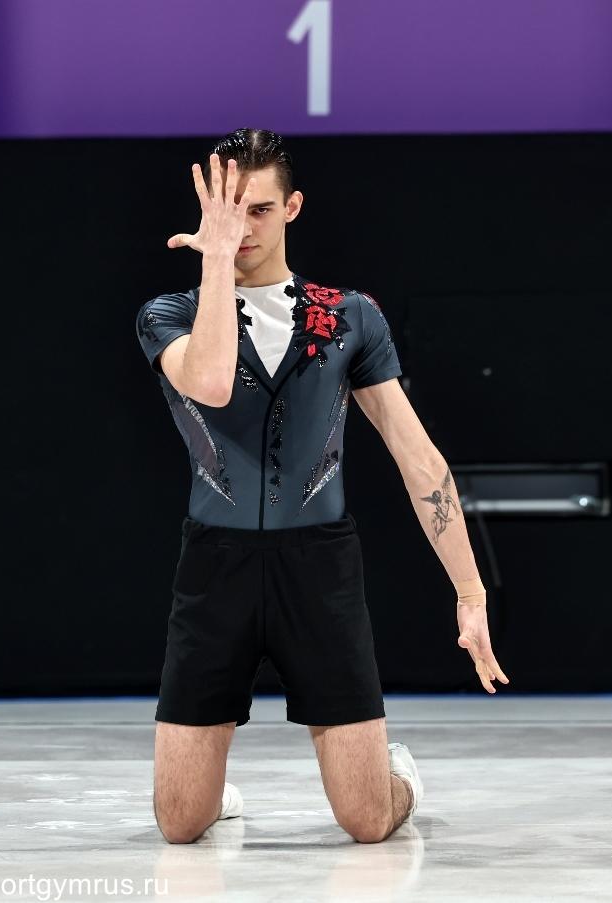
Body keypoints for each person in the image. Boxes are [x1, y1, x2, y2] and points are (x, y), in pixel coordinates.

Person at [136, 128, 510, 845]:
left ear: (293, 207)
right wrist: (215, 263)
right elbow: (210, 382)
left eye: (259, 210)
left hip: (319, 568)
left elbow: (418, 457)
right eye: (227, 212)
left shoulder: (348, 317)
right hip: (215, 568)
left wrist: (470, 592)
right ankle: (210, 791)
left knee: (367, 820)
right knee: (180, 824)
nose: (242, 229)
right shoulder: (168, 315)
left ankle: (396, 774)